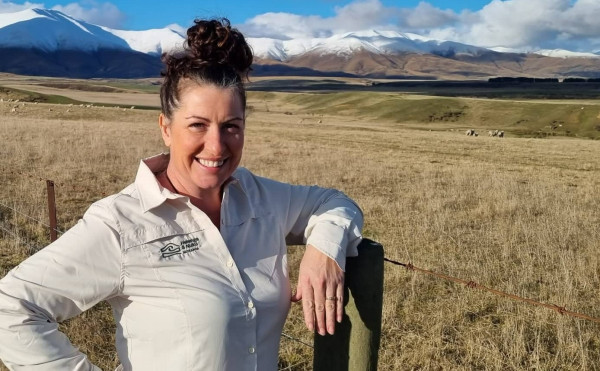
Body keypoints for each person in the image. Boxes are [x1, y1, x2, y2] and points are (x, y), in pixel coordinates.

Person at [0, 18, 363, 370]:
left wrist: (324, 252)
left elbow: (333, 202)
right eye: (197, 125)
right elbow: (11, 307)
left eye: (231, 126)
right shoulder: (122, 224)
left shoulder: (259, 197)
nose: (216, 145)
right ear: (166, 128)